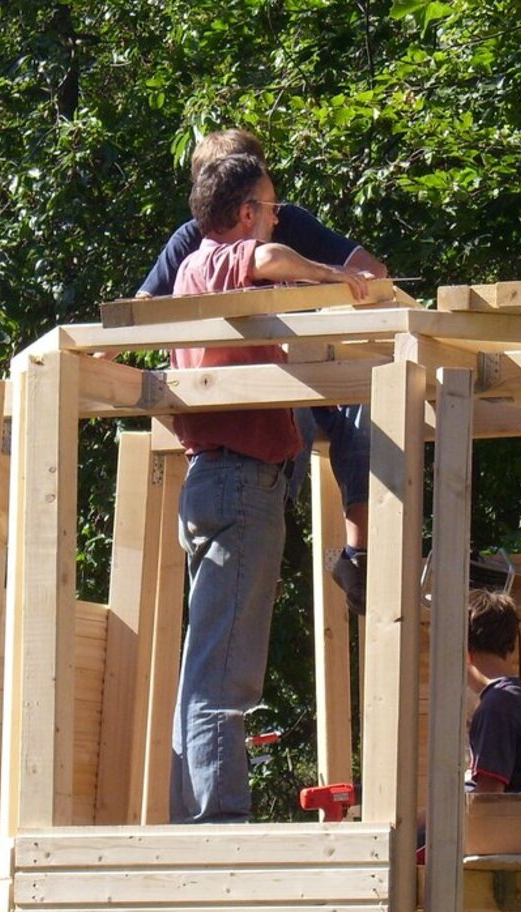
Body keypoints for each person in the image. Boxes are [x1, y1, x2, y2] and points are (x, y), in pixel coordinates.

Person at [168, 152, 369, 824]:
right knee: (226, 676)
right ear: (246, 214)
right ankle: (218, 829)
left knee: (207, 666)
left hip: (218, 481)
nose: (279, 213)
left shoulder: (199, 283)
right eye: (271, 204)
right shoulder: (214, 263)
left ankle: (199, 819)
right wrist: (333, 275)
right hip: (241, 481)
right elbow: (271, 259)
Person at [137, 129, 385, 614]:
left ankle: (359, 555)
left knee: (366, 405)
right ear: (240, 205)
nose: (275, 212)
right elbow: (139, 312)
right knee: (291, 414)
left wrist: (351, 295)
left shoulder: (286, 222)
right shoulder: (200, 243)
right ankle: (265, 537)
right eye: (264, 201)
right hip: (253, 397)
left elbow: (373, 271)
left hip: (305, 375)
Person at [465, 588, 521, 794]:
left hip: (499, 826)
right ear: (510, 647)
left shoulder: (496, 706)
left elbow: (488, 798)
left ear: (465, 653)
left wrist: (423, 822)